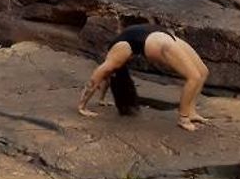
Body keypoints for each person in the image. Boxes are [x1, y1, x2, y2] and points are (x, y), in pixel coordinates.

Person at [77, 23, 209, 132]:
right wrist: (82, 106)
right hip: (161, 40)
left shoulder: (119, 48)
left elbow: (108, 75)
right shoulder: (120, 51)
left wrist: (101, 99)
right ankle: (183, 117)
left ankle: (191, 111)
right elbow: (99, 75)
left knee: (203, 72)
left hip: (163, 37)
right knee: (194, 77)